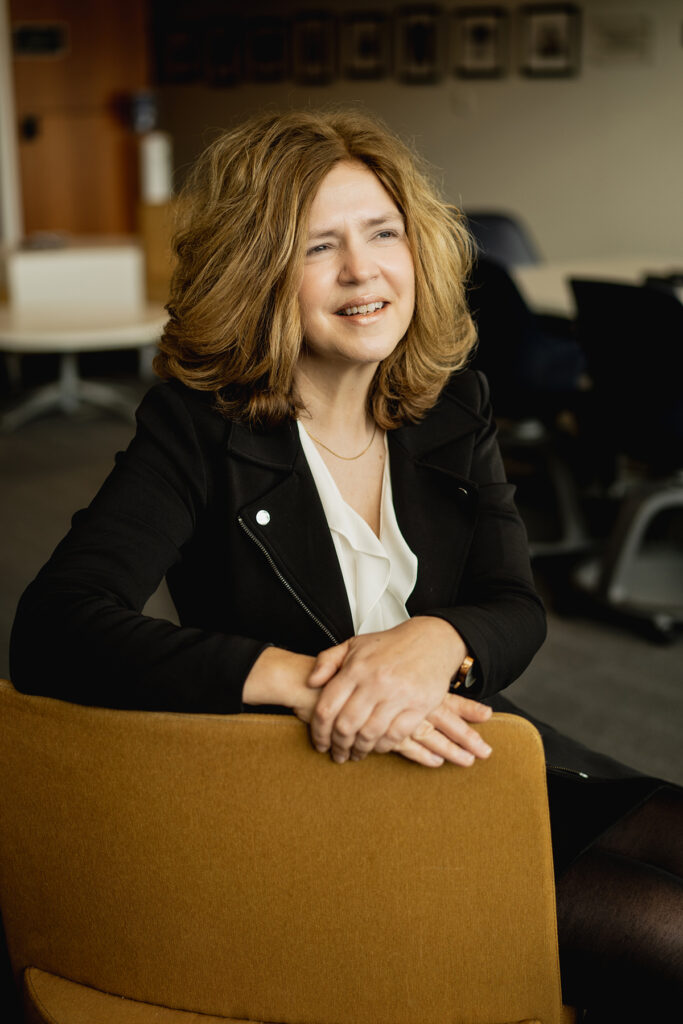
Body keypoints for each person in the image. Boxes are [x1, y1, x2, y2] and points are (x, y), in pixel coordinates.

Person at [10, 109, 682, 1019]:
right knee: (661, 934)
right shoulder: (196, 426)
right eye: (318, 246)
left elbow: (512, 604)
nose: (363, 271)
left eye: (382, 233)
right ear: (259, 271)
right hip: (313, 784)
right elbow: (56, 626)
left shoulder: (451, 403)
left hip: (463, 743)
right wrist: (304, 680)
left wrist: (434, 640)